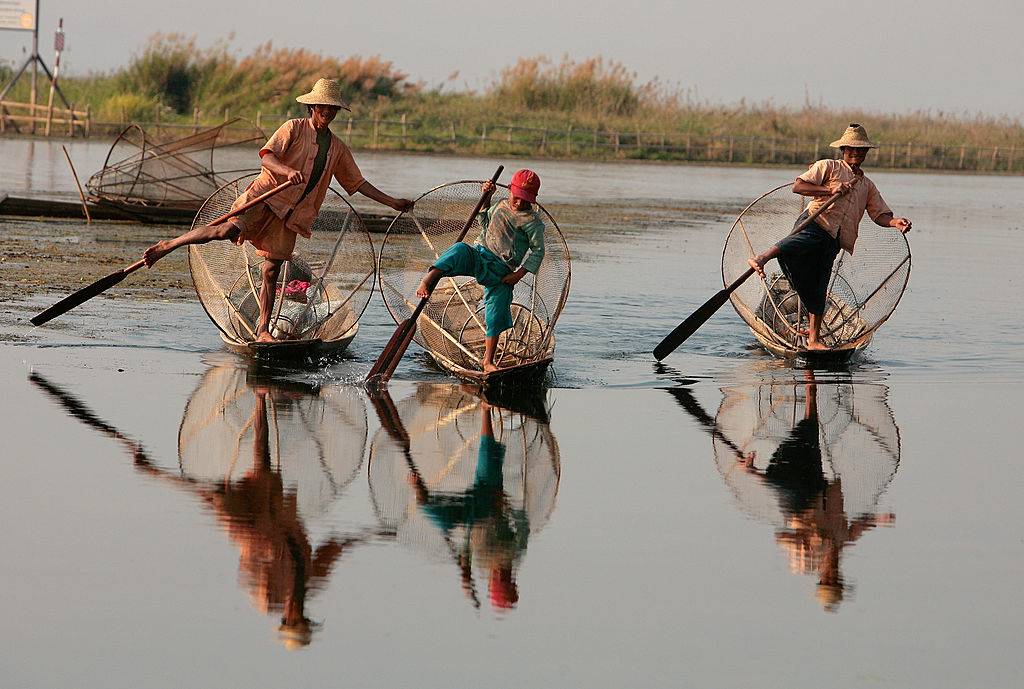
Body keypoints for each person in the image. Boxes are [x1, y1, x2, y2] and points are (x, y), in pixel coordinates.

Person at [143, 78, 414, 342]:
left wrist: (392, 202)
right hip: (265, 197)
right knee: (226, 230)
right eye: (322, 108)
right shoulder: (293, 128)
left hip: (291, 215)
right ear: (312, 108)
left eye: (331, 109)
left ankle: (263, 330)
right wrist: (288, 171)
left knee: (271, 272)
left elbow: (358, 183)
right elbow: (268, 155)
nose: (327, 113)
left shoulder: (337, 149)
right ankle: (169, 245)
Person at [747, 124, 912, 349]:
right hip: (816, 222)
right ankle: (761, 258)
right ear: (843, 150)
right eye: (851, 149)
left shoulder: (866, 185)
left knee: (820, 284)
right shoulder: (828, 167)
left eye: (860, 150)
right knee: (795, 245)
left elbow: (879, 214)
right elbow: (799, 186)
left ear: (866, 153)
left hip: (835, 238)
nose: (855, 153)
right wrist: (829, 191)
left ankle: (813, 340)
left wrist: (894, 222)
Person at [415, 169, 546, 372]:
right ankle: (428, 278)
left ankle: (488, 361)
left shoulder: (533, 223)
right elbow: (485, 223)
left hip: (502, 273)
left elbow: (538, 251)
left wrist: (518, 275)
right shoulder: (501, 205)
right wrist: (487, 198)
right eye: (517, 197)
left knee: (496, 313)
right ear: (510, 189)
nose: (520, 203)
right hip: (479, 256)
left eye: (525, 201)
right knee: (458, 250)